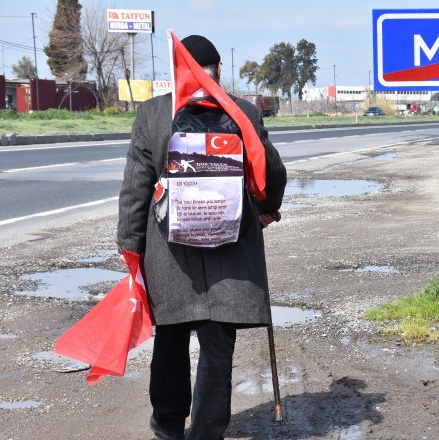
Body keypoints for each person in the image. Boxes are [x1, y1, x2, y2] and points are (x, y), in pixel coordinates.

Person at [117, 34, 287, 440]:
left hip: (169, 253)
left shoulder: (154, 115)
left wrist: (130, 244)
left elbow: (136, 187)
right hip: (231, 248)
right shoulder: (243, 112)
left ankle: (168, 423)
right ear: (219, 70)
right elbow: (274, 171)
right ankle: (207, 431)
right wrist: (266, 210)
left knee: (171, 336)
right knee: (217, 346)